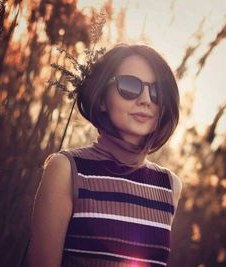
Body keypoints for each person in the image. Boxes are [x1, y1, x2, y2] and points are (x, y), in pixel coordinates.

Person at [28, 44, 182, 267]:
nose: (146, 100)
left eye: (157, 91)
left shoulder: (169, 187)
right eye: (130, 86)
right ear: (101, 99)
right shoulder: (67, 170)